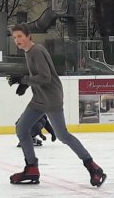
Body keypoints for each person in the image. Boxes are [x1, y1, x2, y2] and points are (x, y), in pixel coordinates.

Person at [6, 24, 106, 187]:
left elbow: (45, 77)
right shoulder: (29, 51)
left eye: (19, 36)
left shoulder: (36, 50)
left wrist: (24, 80)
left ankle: (93, 167)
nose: (17, 40)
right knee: (22, 129)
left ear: (28, 36)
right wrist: (26, 84)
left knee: (63, 135)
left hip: (51, 99)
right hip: (39, 98)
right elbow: (39, 75)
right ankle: (31, 168)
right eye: (14, 37)